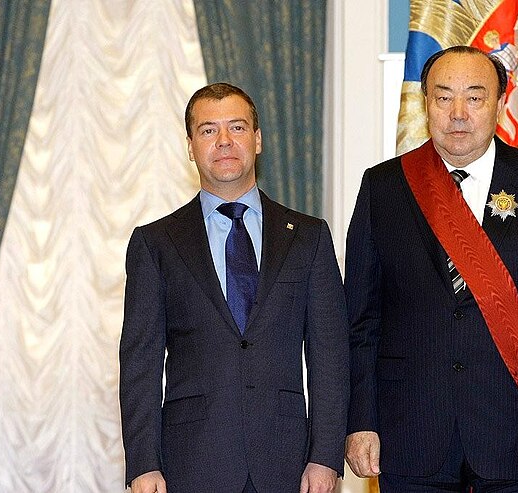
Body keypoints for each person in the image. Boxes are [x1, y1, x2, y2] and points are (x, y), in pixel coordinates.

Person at [343, 46, 518, 492]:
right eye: (443, 97)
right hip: (409, 432)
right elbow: (360, 321)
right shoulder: (382, 188)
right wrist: (359, 421)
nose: (458, 113)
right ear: (425, 104)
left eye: (474, 97)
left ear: (500, 103)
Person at [119, 82, 349, 493]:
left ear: (257, 140)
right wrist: (142, 465)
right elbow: (140, 364)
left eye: (237, 128)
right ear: (190, 146)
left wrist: (325, 456)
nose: (224, 141)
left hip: (288, 464)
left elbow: (330, 356)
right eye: (208, 130)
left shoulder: (309, 237)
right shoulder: (155, 243)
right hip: (190, 464)